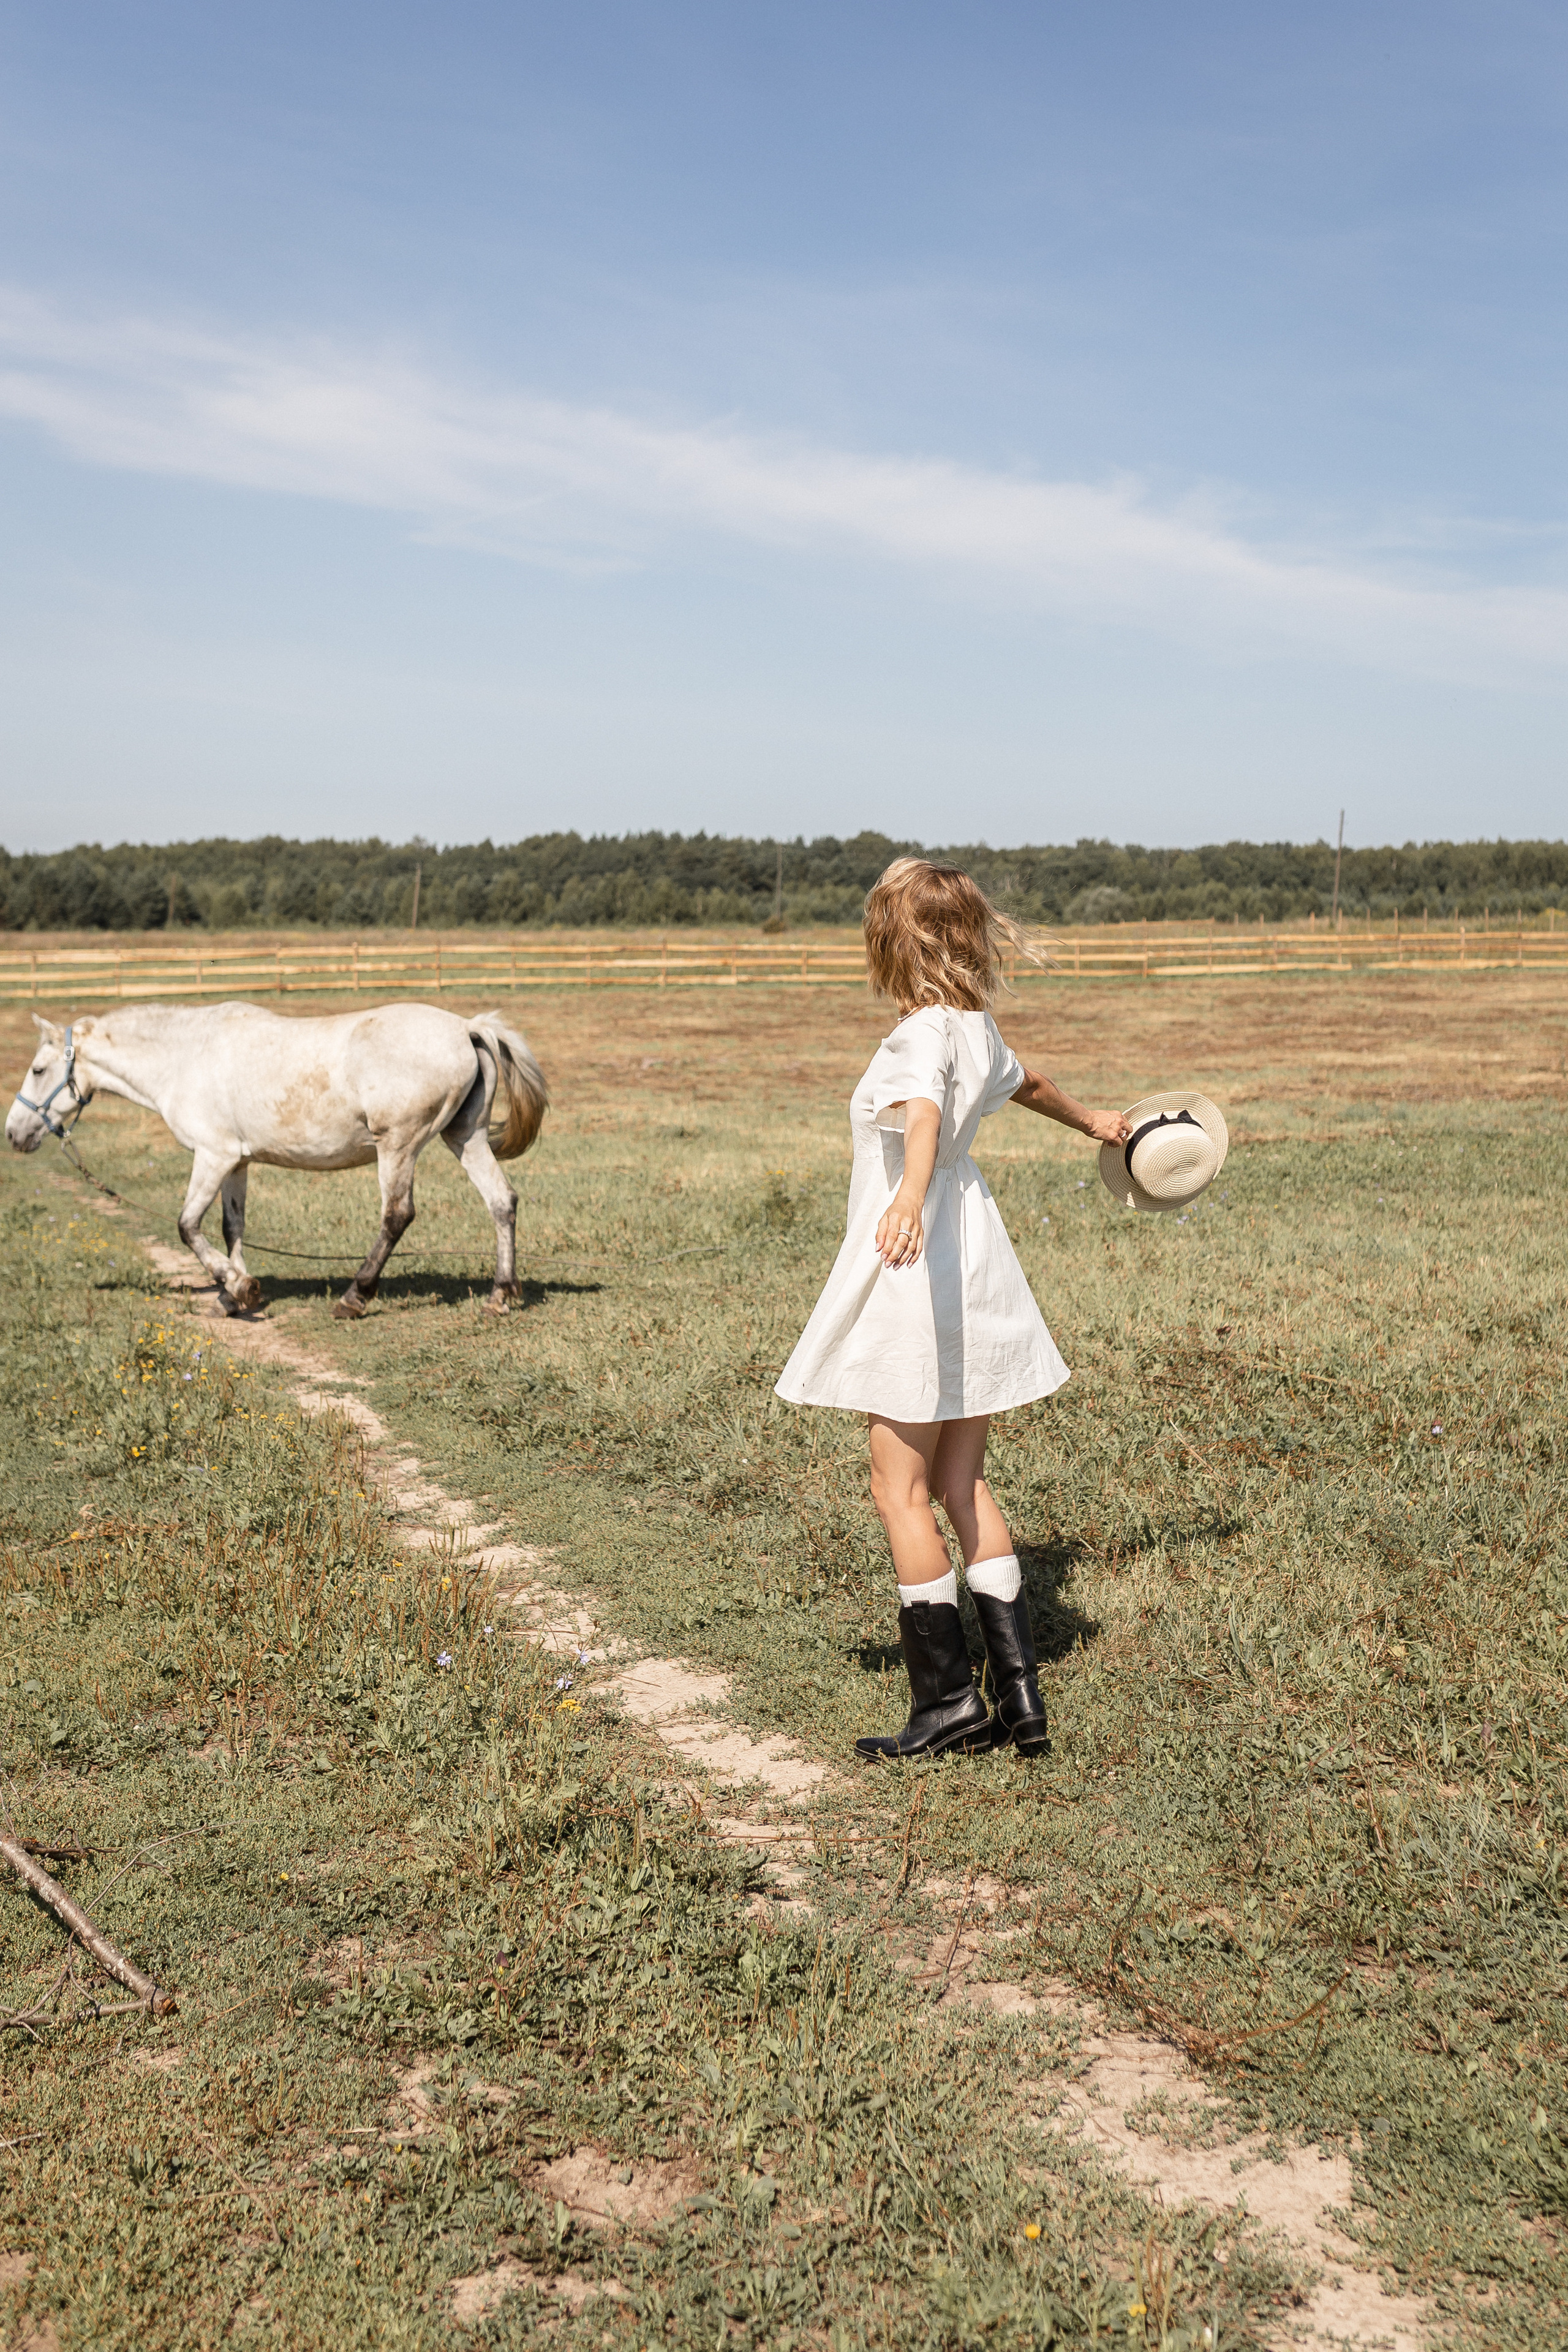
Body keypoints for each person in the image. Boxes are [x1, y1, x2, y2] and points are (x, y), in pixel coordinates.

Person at [775, 858, 1131, 1762]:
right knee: (962, 1485)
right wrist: (1095, 1123)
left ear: (894, 942)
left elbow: (923, 1116)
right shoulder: (977, 1028)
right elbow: (1028, 1083)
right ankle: (1021, 1699)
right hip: (976, 1267)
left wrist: (906, 1199)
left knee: (897, 1488)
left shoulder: (917, 1037)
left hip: (917, 1271)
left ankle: (946, 1705)